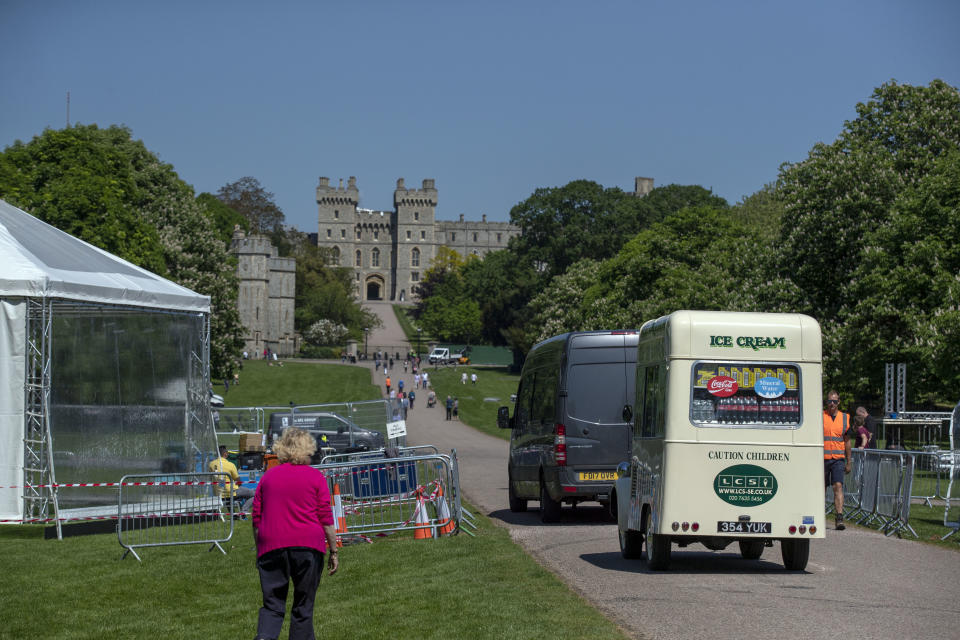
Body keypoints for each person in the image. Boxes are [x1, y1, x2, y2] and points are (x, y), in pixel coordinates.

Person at [252, 428, 338, 640]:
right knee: (303, 605)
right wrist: (334, 550)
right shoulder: (315, 476)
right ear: (306, 450)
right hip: (308, 546)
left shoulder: (268, 477)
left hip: (271, 545)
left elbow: (256, 517)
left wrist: (259, 549)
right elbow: (325, 517)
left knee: (272, 605)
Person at [823, 390, 852, 530]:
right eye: (830, 401)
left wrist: (849, 461)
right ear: (826, 402)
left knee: (838, 486)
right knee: (821, 488)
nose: (832, 403)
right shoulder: (821, 416)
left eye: (835, 401)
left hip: (838, 459)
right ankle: (819, 515)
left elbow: (847, 442)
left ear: (839, 402)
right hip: (822, 458)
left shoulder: (845, 418)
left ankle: (839, 517)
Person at [209, 445, 255, 513]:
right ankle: (244, 511)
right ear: (225, 454)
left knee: (232, 491)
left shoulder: (211, 464)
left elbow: (214, 478)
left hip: (218, 493)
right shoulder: (230, 465)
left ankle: (234, 513)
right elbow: (238, 480)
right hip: (231, 492)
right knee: (255, 494)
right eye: (227, 452)